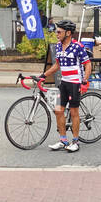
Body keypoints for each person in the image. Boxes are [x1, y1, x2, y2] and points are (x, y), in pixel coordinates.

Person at [38, 20, 92, 153]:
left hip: (75, 83)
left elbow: (88, 64)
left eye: (59, 32)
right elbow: (57, 65)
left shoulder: (77, 46)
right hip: (64, 82)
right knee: (58, 111)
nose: (57, 34)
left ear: (68, 33)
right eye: (56, 31)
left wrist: (85, 79)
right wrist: (43, 75)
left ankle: (75, 141)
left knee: (74, 112)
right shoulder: (57, 46)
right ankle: (63, 140)